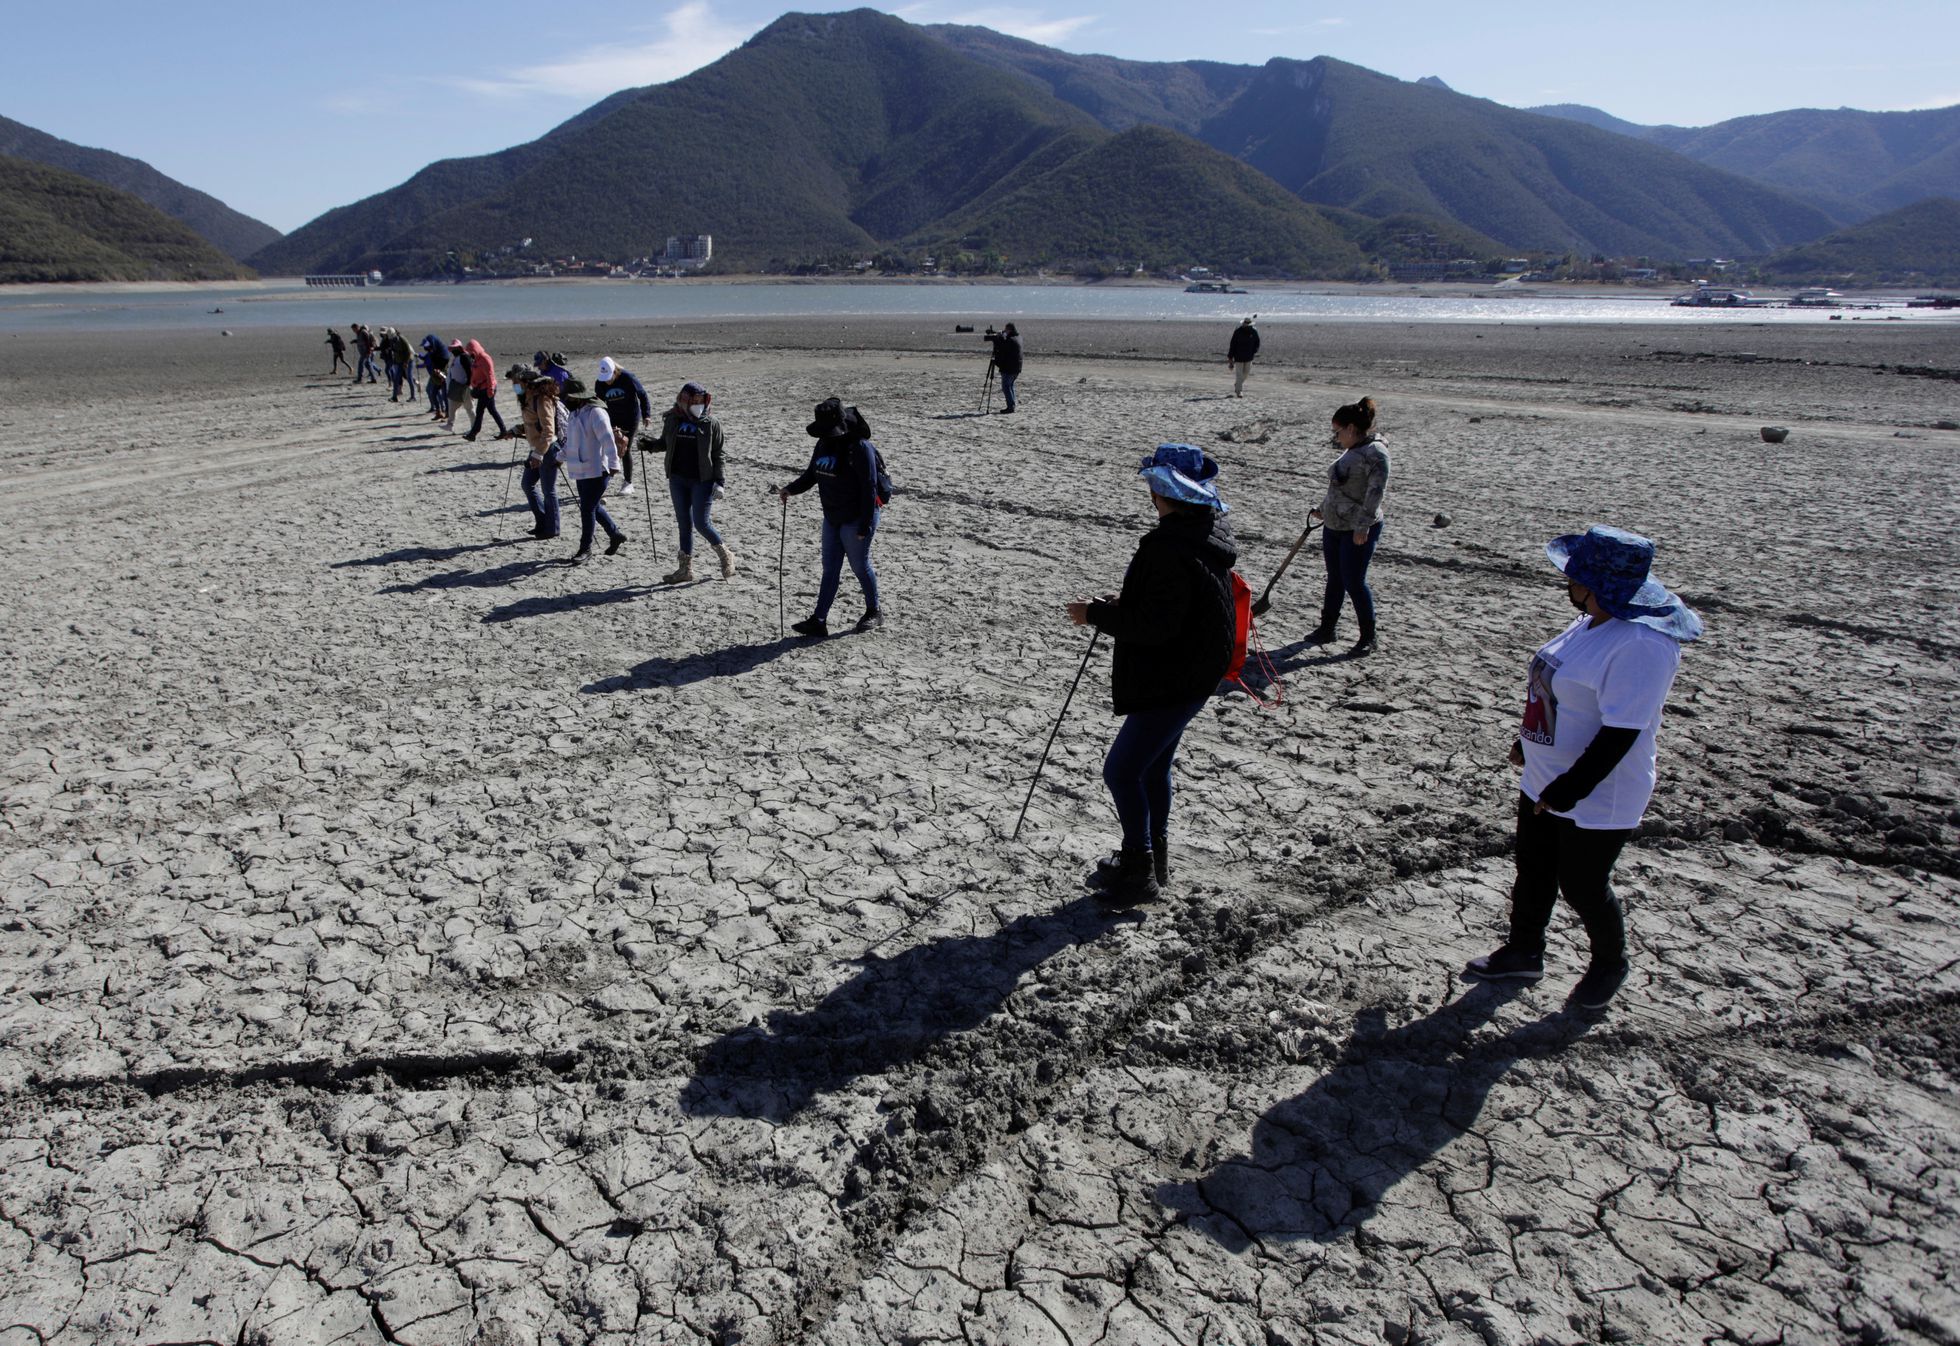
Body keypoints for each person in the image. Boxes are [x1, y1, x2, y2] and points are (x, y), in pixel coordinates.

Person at [1467, 525, 1702, 1010]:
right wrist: (1527, 742)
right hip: (1545, 776)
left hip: (1598, 790)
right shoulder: (1594, 620)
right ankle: (1524, 950)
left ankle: (1609, 964)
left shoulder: (1641, 644)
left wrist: (1569, 788)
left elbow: (1622, 732)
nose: (1566, 585)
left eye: (1574, 578)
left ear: (1597, 586)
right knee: (1533, 870)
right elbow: (1560, 689)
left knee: (1583, 884)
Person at [1065, 444, 1236, 907]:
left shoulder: (1170, 546)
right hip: (1197, 668)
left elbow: (1156, 627)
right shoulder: (1204, 530)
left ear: (1166, 492)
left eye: (1153, 487)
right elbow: (1172, 607)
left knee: (1121, 771)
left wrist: (1096, 614)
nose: (1149, 494)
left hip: (1177, 674)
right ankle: (1152, 859)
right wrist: (1124, 606)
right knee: (1153, 766)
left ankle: (1139, 868)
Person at [779, 396, 884, 637]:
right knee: (830, 569)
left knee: (859, 565)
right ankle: (819, 620)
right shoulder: (823, 443)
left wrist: (865, 525)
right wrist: (790, 489)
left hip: (857, 516)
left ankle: (874, 611)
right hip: (833, 515)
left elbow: (870, 488)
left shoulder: (860, 447)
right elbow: (812, 474)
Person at [1306, 396, 1390, 657]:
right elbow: (1337, 488)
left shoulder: (1375, 454)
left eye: (1338, 432)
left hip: (1356, 528)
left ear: (1351, 428)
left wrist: (1363, 527)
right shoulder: (1353, 449)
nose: (1336, 437)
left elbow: (1375, 493)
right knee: (1335, 579)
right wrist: (1323, 508)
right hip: (1335, 524)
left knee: (1354, 580)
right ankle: (1327, 628)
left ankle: (1368, 636)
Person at [650, 380, 734, 583]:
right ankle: (685, 570)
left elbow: (718, 454)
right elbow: (665, 443)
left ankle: (726, 554)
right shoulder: (672, 419)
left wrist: (720, 481)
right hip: (677, 478)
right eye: (694, 401)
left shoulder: (711, 423)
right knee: (683, 523)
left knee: (701, 522)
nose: (698, 405)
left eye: (701, 401)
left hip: (702, 480)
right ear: (684, 401)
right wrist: (649, 445)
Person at [556, 380, 629, 562]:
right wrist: (559, 458)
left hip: (598, 470)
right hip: (580, 469)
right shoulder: (575, 414)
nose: (566, 400)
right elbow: (571, 442)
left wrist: (614, 465)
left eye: (569, 397)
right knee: (592, 507)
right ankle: (615, 534)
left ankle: (585, 548)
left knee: (587, 509)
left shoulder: (596, 413)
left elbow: (607, 440)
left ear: (578, 397)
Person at [514, 369, 562, 540]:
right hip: (536, 449)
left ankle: (552, 528)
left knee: (548, 490)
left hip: (547, 449)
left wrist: (538, 454)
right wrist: (517, 430)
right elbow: (533, 422)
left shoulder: (542, 400)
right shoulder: (529, 399)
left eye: (519, 382)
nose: (516, 385)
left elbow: (549, 431)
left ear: (528, 384)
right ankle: (542, 522)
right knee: (528, 484)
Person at [595, 357, 652, 496]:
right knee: (609, 447)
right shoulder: (600, 383)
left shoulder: (627, 378)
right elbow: (599, 403)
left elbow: (642, 395)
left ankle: (628, 483)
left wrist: (646, 415)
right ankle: (602, 481)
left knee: (624, 447)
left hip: (630, 418)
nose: (607, 381)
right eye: (605, 378)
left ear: (615, 372)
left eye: (609, 377)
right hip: (612, 418)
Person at [461, 339, 508, 441]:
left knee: (480, 411)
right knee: (492, 410)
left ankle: (473, 433)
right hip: (482, 389)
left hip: (487, 389)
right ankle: (503, 431)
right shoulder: (477, 360)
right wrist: (473, 383)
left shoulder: (485, 359)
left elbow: (490, 375)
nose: (470, 354)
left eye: (471, 352)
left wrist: (490, 390)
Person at [983, 322, 1022, 414]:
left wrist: (998, 339)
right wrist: (998, 334)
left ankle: (1010, 407)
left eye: (1006, 330)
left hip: (1009, 368)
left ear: (1010, 330)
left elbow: (1002, 347)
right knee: (1010, 386)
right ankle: (1012, 405)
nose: (1005, 331)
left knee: (1006, 387)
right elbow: (1005, 344)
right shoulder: (1018, 337)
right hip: (1016, 367)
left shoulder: (1011, 340)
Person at [1227, 315, 1260, 397]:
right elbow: (1233, 344)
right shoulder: (1238, 332)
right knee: (1239, 375)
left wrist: (1254, 351)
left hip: (1249, 357)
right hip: (1238, 357)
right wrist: (1230, 356)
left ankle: (1237, 384)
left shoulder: (1254, 331)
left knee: (1246, 374)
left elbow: (1257, 342)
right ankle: (1239, 391)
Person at [419, 335, 450, 420]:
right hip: (436, 376)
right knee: (433, 393)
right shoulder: (432, 352)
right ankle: (438, 412)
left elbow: (442, 363)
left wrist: (439, 371)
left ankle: (448, 413)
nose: (426, 348)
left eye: (426, 346)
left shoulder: (441, 353)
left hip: (442, 375)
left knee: (444, 395)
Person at [445, 341, 472, 432]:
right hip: (456, 387)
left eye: (454, 348)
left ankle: (474, 427)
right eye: (452, 349)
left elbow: (470, 371)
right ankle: (450, 425)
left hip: (464, 388)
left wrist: (468, 384)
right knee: (452, 407)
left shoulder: (464, 357)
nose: (453, 350)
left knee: (469, 408)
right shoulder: (455, 358)